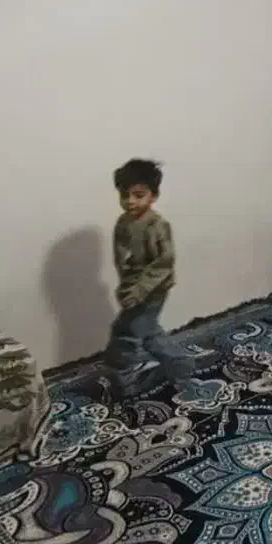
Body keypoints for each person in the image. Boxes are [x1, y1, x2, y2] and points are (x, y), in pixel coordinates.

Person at [104, 158, 194, 396]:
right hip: (134, 287)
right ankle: (180, 364)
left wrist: (139, 290)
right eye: (124, 195)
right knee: (148, 332)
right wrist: (125, 285)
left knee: (127, 334)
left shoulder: (157, 225)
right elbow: (123, 259)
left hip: (154, 289)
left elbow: (164, 263)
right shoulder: (123, 223)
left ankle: (125, 380)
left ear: (154, 196)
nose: (130, 201)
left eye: (138, 195)